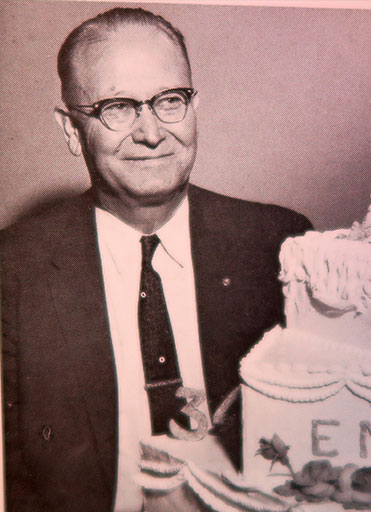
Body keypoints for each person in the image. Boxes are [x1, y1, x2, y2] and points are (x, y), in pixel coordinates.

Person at [0, 8, 311, 511]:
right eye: (117, 108)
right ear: (68, 129)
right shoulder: (12, 271)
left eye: (170, 101)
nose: (151, 133)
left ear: (193, 108)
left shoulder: (280, 244)